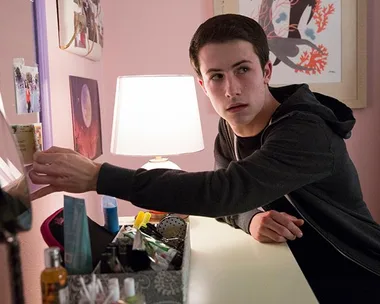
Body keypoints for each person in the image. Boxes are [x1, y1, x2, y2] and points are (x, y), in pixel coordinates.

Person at [30, 14, 380, 302]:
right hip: (297, 265)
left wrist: (98, 176)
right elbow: (232, 199)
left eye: (243, 69)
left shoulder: (305, 131)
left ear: (267, 71)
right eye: (216, 76)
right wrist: (251, 220)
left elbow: (223, 191)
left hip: (355, 271)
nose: (231, 89)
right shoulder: (232, 125)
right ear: (202, 83)